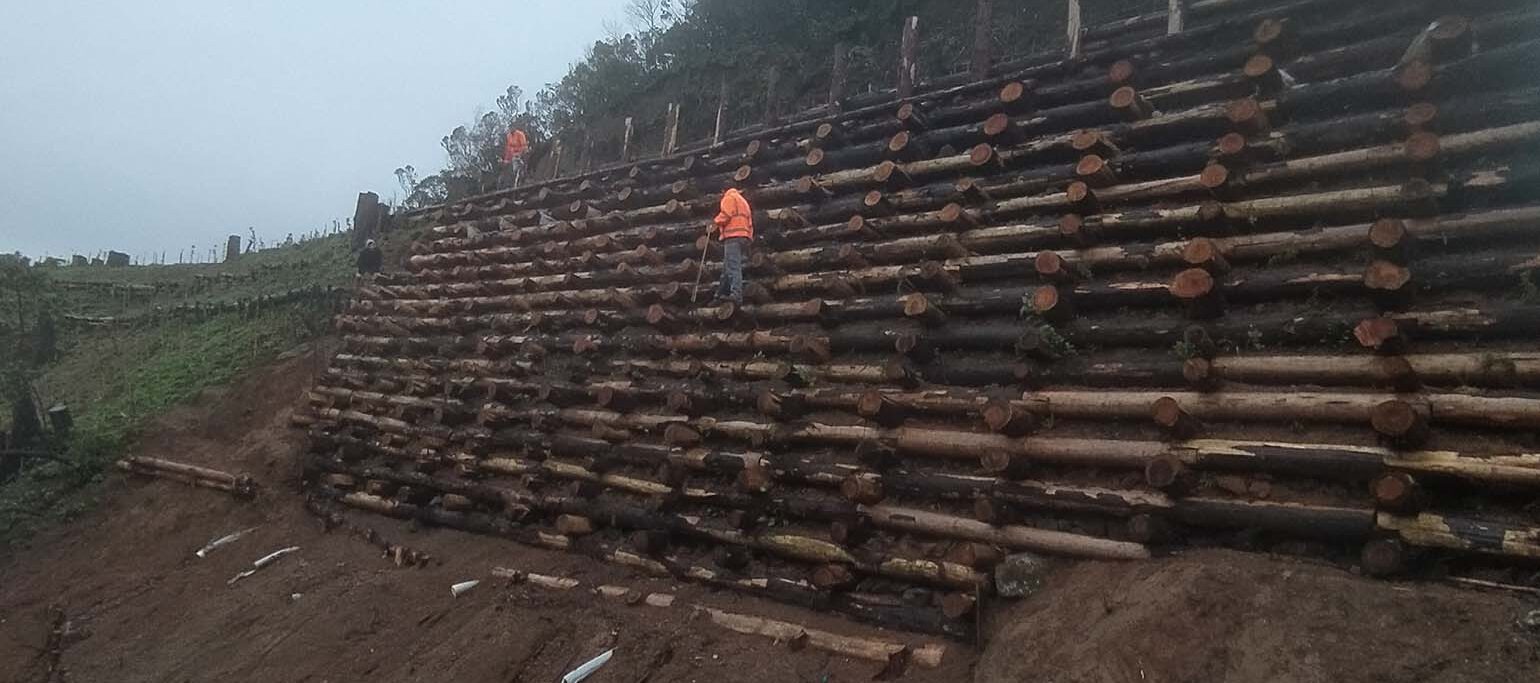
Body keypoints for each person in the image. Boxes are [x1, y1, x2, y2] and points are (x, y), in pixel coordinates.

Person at [710, 186, 753, 302]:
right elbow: (749, 223)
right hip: (744, 237)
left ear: (723, 190)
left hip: (732, 237)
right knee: (727, 267)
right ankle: (719, 295)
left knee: (733, 267)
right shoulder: (743, 201)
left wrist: (714, 222)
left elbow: (726, 214)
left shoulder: (728, 198)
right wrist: (749, 237)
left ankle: (736, 295)